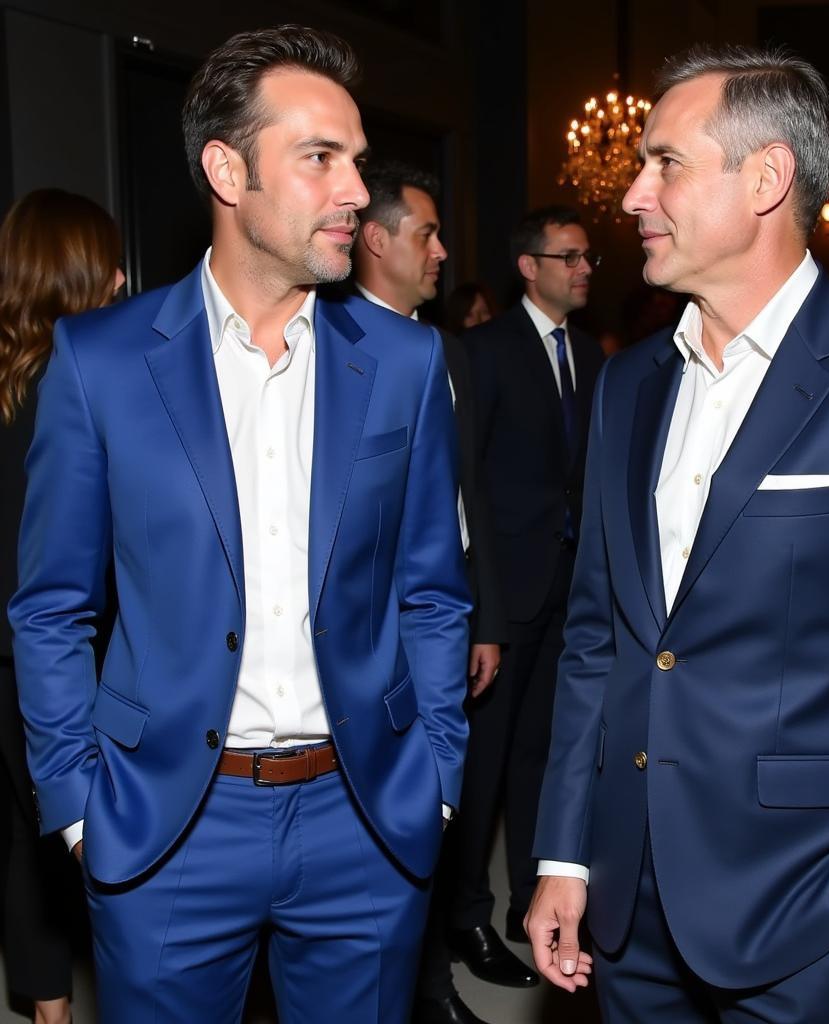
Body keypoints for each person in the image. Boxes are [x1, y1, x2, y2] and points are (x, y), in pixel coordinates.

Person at [526, 43, 829, 1024]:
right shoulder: (627, 383)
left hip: (806, 920)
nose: (631, 196)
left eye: (664, 163)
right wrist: (563, 853)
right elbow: (600, 639)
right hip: (626, 913)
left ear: (764, 178)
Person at [9, 25, 471, 1023]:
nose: (355, 190)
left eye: (355, 160)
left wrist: (436, 773)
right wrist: (80, 808)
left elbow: (432, 588)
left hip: (365, 814)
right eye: (319, 159)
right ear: (228, 168)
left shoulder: (403, 364)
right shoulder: (98, 361)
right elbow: (50, 607)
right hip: (167, 821)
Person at [349, 157, 506, 1024]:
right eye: (427, 233)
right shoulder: (336, 344)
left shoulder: (442, 346)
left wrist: (481, 608)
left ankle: (432, 975)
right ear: (376, 240)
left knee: (442, 805)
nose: (443, 251)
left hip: (447, 613)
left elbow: (463, 495)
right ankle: (415, 988)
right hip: (376, 629)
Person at [447, 206, 603, 989]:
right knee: (484, 759)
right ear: (529, 267)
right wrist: (483, 608)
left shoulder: (588, 351)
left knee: (543, 755)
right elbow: (466, 485)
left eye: (587, 258)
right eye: (569, 256)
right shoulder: (484, 351)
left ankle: (530, 903)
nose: (584, 268)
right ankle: (468, 911)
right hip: (504, 595)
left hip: (570, 589)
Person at [0, 188, 123, 1024]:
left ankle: (48, 1012)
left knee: (21, 842)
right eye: (110, 266)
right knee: (99, 845)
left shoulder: (11, 381)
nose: (123, 280)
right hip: (73, 653)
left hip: (5, 654)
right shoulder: (79, 390)